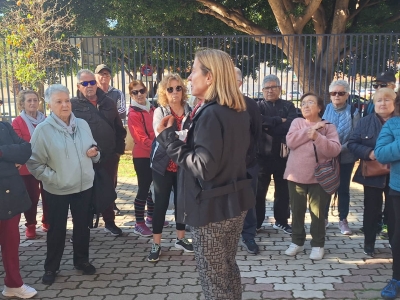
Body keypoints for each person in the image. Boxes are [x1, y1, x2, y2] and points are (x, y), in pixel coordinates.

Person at [156, 48, 255, 300]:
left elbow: (203, 167)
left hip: (212, 208)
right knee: (227, 268)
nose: (189, 78)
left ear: (209, 77)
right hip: (234, 200)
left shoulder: (211, 113)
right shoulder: (237, 109)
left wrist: (168, 139)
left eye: (193, 71)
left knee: (214, 278)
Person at [27, 84, 100, 285]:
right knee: (57, 230)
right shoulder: (43, 130)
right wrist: (55, 178)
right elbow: (34, 163)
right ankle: (51, 267)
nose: (65, 105)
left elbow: (94, 149)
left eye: (67, 100)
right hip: (57, 189)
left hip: (84, 186)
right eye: (59, 102)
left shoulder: (82, 124)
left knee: (82, 228)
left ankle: (82, 261)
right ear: (50, 105)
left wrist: (95, 153)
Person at [284, 93, 341, 260]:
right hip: (295, 176)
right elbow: (291, 142)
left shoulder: (328, 126)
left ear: (319, 107)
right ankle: (297, 242)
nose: (306, 106)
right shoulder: (297, 122)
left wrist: (317, 136)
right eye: (303, 103)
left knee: (317, 213)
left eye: (310, 102)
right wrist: (310, 130)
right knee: (297, 210)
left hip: (319, 177)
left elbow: (334, 150)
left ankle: (317, 244)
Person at [71, 69, 127, 236]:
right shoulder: (72, 105)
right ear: (78, 86)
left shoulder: (108, 102)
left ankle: (109, 221)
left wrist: (118, 151)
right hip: (83, 158)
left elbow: (119, 128)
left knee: (108, 189)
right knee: (83, 192)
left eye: (92, 82)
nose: (89, 86)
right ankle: (82, 227)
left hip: (108, 156)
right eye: (85, 83)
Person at [148, 73, 193, 262]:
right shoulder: (160, 111)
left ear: (183, 90)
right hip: (162, 164)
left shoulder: (190, 109)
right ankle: (156, 243)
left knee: (182, 202)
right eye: (170, 89)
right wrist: (183, 134)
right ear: (164, 92)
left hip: (183, 163)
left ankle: (180, 239)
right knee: (161, 204)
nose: (175, 92)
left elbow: (192, 134)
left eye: (178, 88)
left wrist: (178, 134)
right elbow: (162, 135)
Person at [348, 88, 396, 257]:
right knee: (371, 210)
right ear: (374, 104)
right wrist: (369, 153)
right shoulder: (365, 121)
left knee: (394, 212)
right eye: (379, 100)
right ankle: (369, 244)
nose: (383, 103)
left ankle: (394, 244)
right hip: (372, 175)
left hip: (395, 176)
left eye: (387, 100)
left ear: (394, 102)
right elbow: (352, 143)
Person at [0, 113, 37, 298]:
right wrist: (9, 159)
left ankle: (13, 285)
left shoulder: (5, 127)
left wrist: (2, 152)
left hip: (9, 195)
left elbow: (25, 149)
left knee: (11, 243)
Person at [256, 74, 298, 233]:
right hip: (261, 156)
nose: (270, 90)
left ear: (280, 89)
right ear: (262, 90)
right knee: (259, 192)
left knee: (283, 191)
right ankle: (257, 222)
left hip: (283, 155)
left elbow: (291, 126)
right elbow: (258, 123)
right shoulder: (258, 106)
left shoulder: (289, 106)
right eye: (267, 88)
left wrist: (269, 124)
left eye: (273, 87)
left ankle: (281, 221)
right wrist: (278, 120)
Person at [323, 79, 360, 235]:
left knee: (343, 188)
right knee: (325, 187)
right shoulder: (325, 109)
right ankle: (323, 218)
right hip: (327, 156)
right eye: (334, 93)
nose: (337, 96)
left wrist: (339, 149)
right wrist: (329, 148)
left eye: (341, 93)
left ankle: (343, 219)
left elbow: (355, 135)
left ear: (347, 95)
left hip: (346, 156)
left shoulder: (354, 112)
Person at [12, 90, 48, 239]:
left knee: (49, 195)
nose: (33, 103)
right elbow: (20, 144)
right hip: (27, 166)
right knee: (32, 197)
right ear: (22, 104)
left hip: (46, 163)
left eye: (35, 100)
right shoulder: (17, 122)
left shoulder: (46, 119)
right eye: (29, 101)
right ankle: (31, 225)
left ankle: (48, 221)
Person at [375, 94, 400, 300]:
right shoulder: (393, 124)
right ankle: (396, 278)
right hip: (398, 189)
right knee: (398, 236)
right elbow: (381, 153)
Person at [235, 67, 262, 255]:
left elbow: (257, 133)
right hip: (223, 167)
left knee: (248, 201)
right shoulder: (217, 103)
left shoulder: (250, 104)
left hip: (248, 164)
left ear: (240, 83)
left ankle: (248, 235)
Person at [95, 64, 127, 215]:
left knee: (112, 175)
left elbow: (121, 111)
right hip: (94, 143)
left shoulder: (117, 93)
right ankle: (95, 206)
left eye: (107, 74)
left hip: (112, 141)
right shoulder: (92, 93)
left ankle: (111, 204)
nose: (104, 77)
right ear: (96, 76)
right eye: (101, 74)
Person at [127, 79, 155, 237]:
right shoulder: (133, 113)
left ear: (146, 91)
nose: (139, 95)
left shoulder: (152, 108)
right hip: (142, 155)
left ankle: (151, 216)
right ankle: (139, 222)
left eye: (141, 91)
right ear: (131, 95)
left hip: (155, 154)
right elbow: (140, 138)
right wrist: (158, 147)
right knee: (143, 188)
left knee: (153, 187)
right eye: (134, 92)